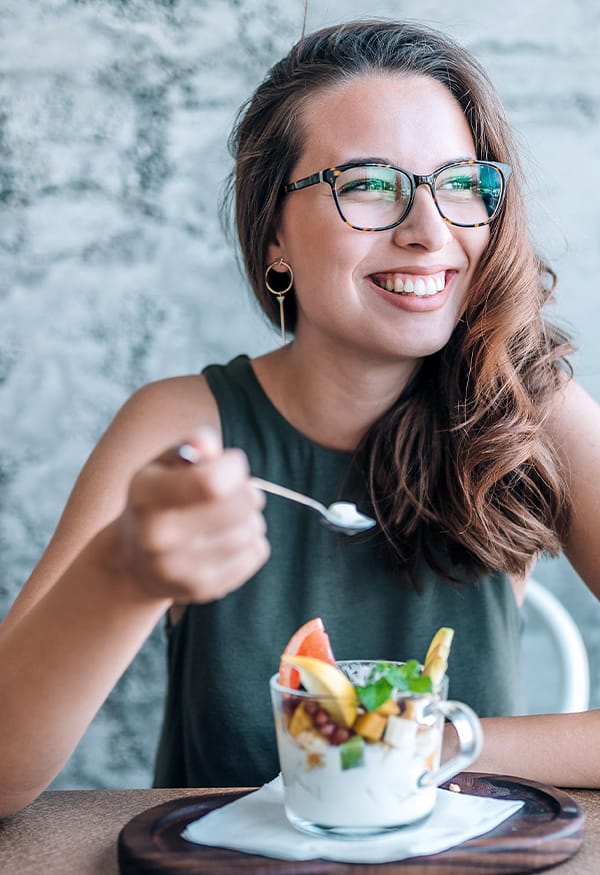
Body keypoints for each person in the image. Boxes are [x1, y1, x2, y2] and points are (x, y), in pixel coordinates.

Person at [1, 19, 600, 818]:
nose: (430, 233)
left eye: (460, 183)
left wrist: (443, 739)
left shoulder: (529, 410)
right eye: (368, 185)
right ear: (274, 235)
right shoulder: (183, 423)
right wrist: (123, 575)